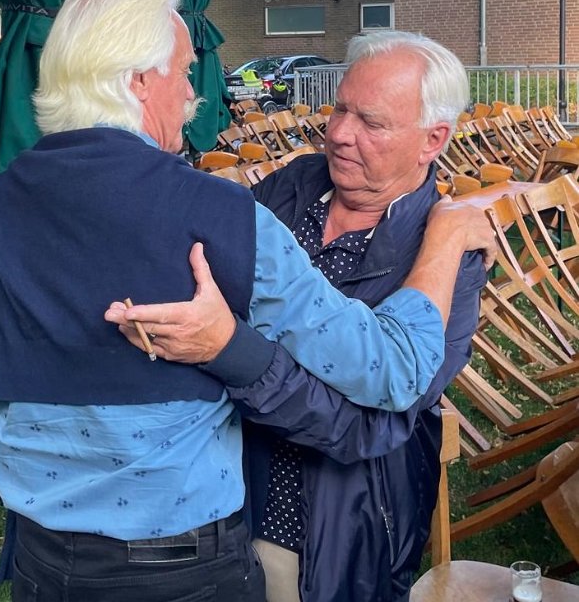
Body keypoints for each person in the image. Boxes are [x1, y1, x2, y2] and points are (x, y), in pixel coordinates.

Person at [0, 0, 494, 602]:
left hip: (43, 560)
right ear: (139, 80)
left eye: (371, 121)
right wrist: (451, 232)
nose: (192, 92)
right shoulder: (224, 215)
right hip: (183, 565)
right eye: (183, 71)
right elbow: (395, 367)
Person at [106, 30, 487, 601]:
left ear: (432, 139)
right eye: (341, 109)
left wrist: (231, 351)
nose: (339, 133)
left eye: (371, 122)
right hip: (219, 488)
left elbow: (368, 423)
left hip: (332, 520)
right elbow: (202, 279)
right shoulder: (293, 185)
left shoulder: (448, 259)